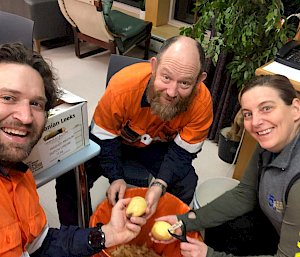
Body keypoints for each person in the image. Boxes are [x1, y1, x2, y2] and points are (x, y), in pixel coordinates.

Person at [0, 42, 146, 257]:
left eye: (36, 104)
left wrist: (107, 234)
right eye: (8, 97)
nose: (26, 116)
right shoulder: (123, 89)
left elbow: (42, 244)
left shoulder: (19, 175)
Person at [56, 35, 213, 226]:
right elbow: (103, 136)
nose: (172, 92)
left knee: (186, 183)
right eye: (166, 77)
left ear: (199, 81)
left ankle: (158, 230)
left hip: (157, 148)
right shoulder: (122, 86)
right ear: (153, 66)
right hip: (115, 142)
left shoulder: (202, 104)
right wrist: (116, 176)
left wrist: (159, 183)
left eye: (185, 83)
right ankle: (78, 236)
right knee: (69, 177)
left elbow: (182, 153)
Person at [152, 74, 300, 256]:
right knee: (217, 227)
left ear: (295, 109)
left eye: (267, 108)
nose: (255, 122)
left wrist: (210, 255)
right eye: (248, 114)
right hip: (275, 227)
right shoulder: (271, 142)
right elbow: (245, 194)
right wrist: (184, 221)